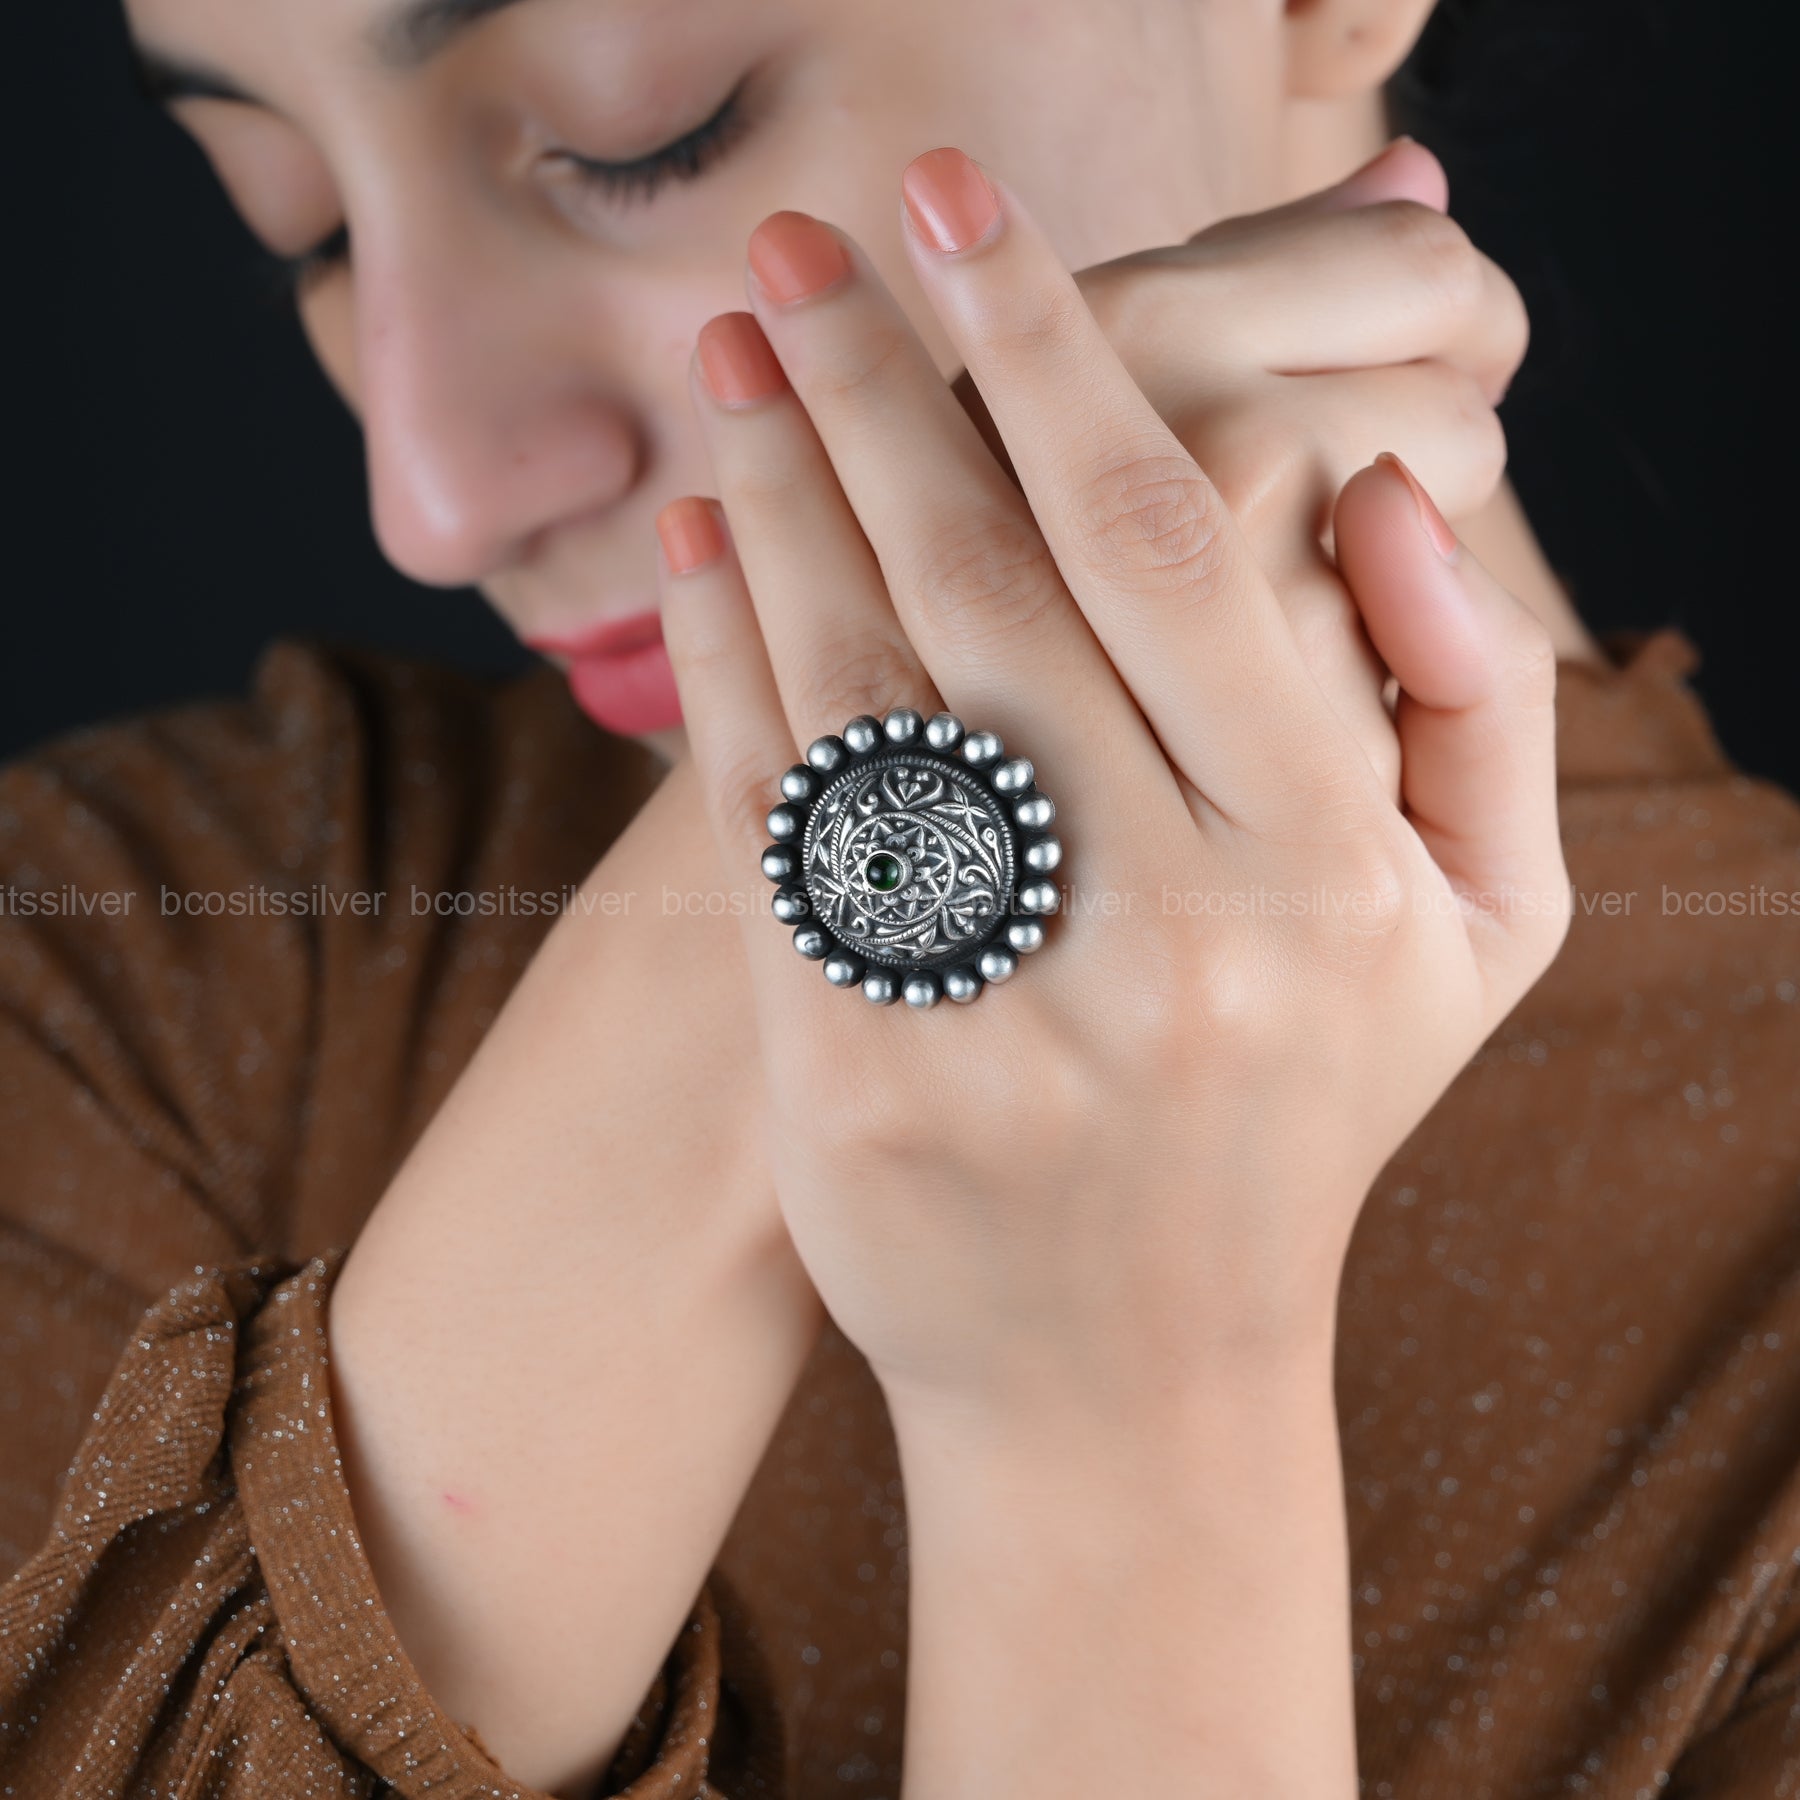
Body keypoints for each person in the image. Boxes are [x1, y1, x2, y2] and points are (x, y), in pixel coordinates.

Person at [1, 2, 1794, 1797]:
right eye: (300, 223)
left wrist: (1114, 1406)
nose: (437, 492)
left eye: (645, 132)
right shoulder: (122, 971)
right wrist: (829, 851)